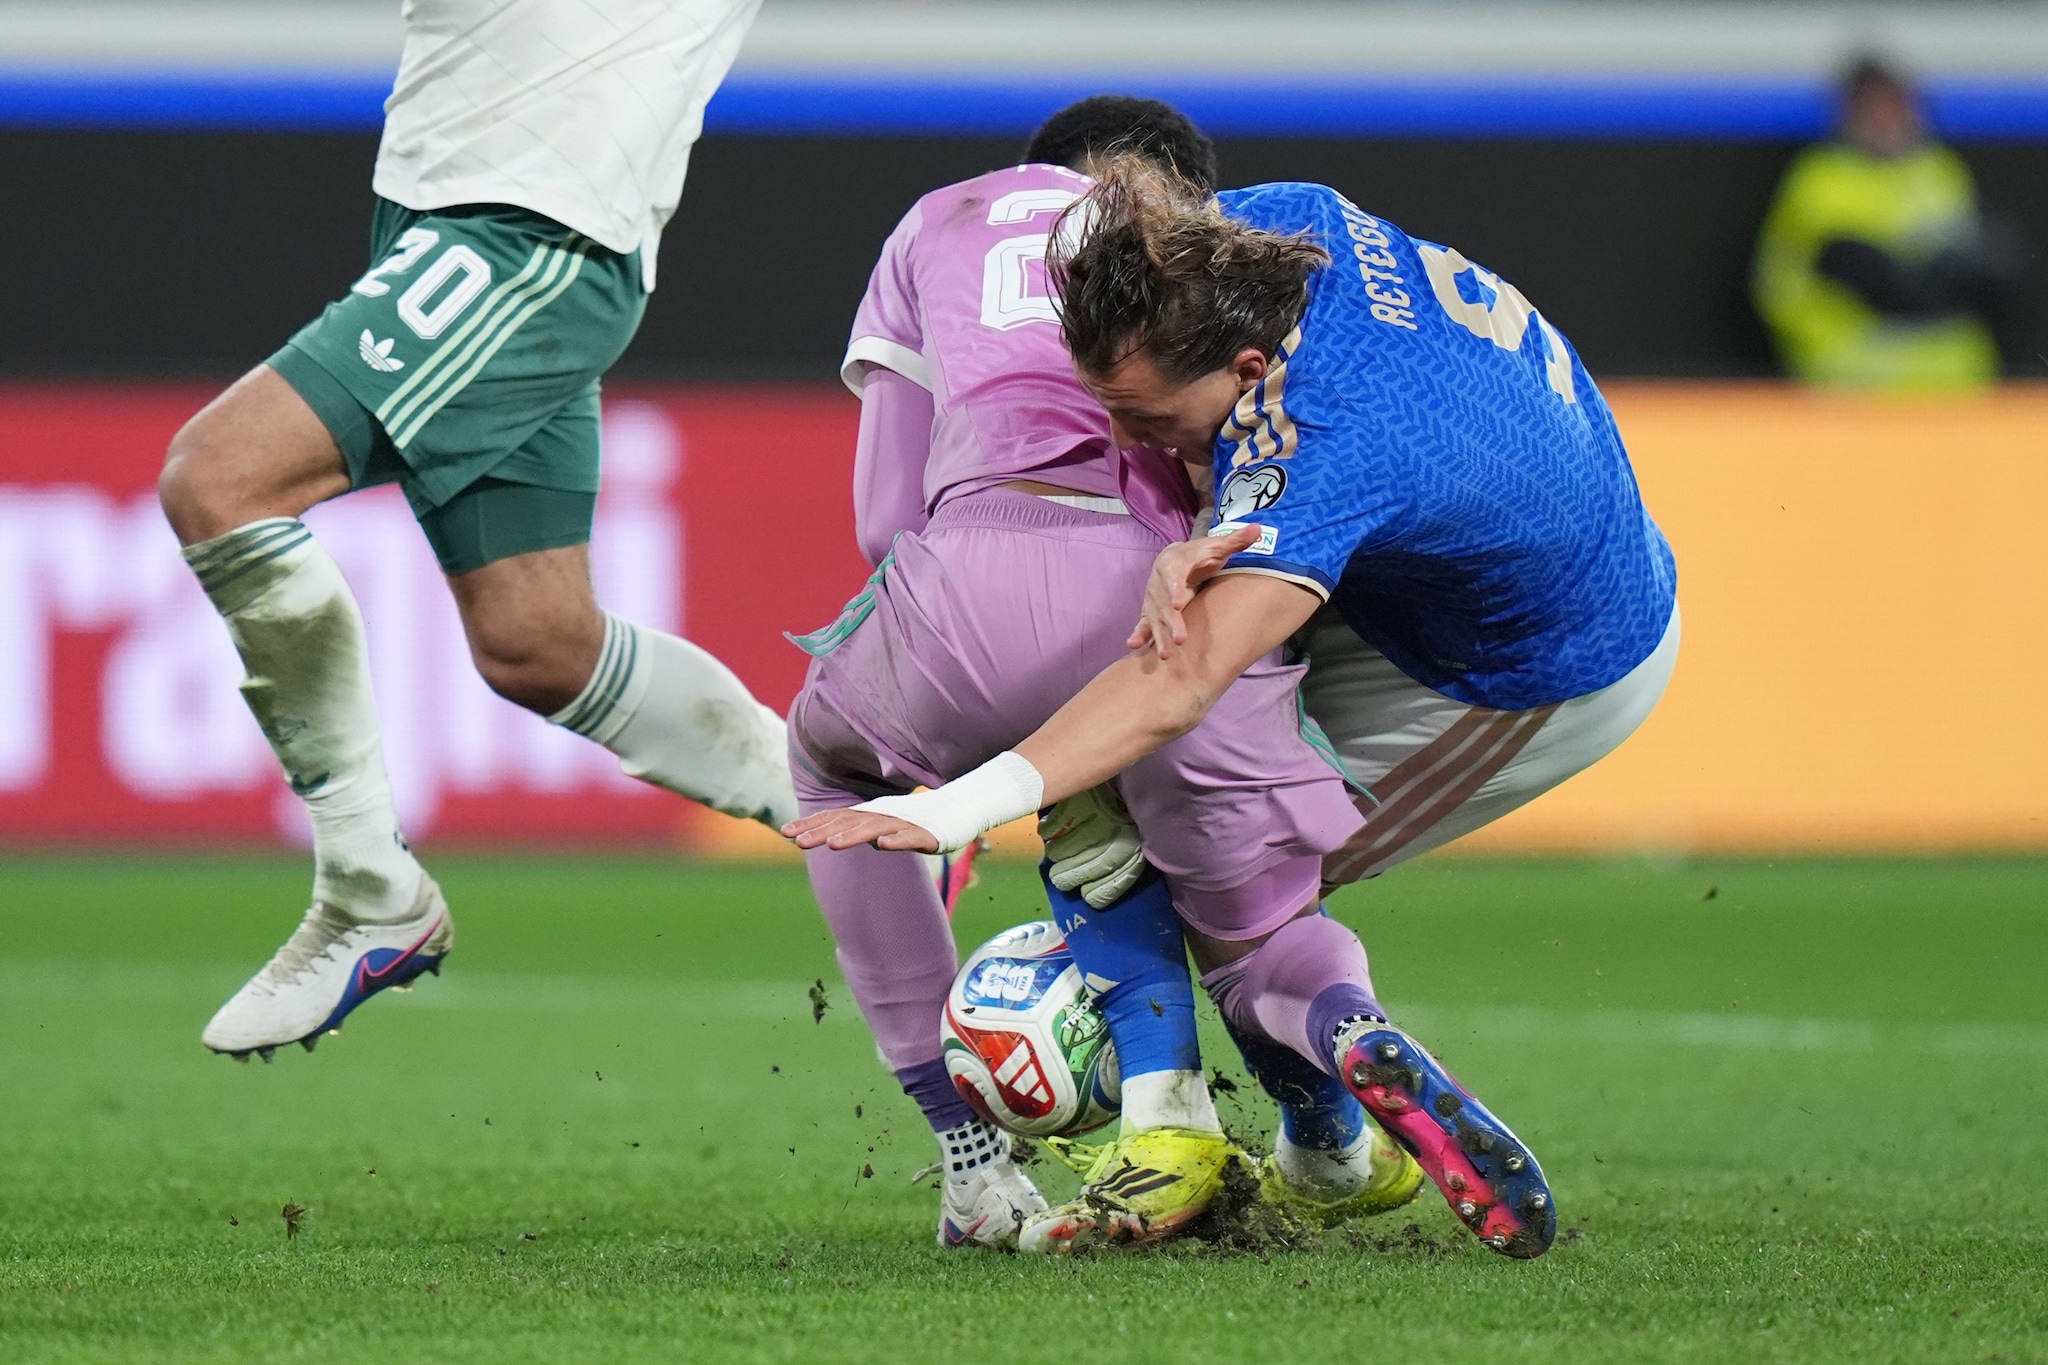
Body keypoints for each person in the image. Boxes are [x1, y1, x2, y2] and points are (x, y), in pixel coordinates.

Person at [791, 157, 1685, 1260]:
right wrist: (1202, 514)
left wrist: (954, 808)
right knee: (1159, 815)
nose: (1124, 447)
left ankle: (1305, 1134)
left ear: (1248, 370)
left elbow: (1173, 685)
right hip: (1436, 559)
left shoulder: (1329, 441)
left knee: (1217, 889)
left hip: (1528, 665)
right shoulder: (1276, 225)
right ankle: (1309, 1130)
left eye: (1142, 417)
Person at [790, 96, 1416, 1250]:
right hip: (1175, 603)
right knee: (1252, 911)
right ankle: (1333, 1080)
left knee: (833, 770)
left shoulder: (941, 217)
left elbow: (884, 521)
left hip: (971, 577)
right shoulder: (1222, 271)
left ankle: (973, 1157)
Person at [159, 0, 794, 1062]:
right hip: (446, 212)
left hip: (531, 232)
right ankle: (872, 820)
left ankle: (368, 888)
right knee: (538, 645)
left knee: (221, 480)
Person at [1754, 56, 2020, 389]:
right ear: (1848, 112)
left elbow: (1975, 270)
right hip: (1857, 381)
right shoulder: (1821, 180)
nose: (1886, 119)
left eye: (1894, 105)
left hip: (1956, 383)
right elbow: (1808, 282)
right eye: (1872, 108)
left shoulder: (1938, 170)